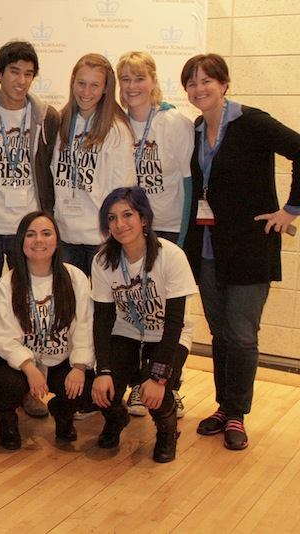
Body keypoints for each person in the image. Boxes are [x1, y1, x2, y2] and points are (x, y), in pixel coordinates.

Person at [181, 54, 300, 451]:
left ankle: (237, 414)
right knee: (219, 335)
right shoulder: (197, 128)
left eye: (206, 81)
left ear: (224, 83)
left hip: (249, 247)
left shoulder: (251, 121)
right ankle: (222, 407)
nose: (199, 89)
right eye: (192, 84)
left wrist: (290, 210)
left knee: (243, 335)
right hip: (208, 248)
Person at [0, 40, 60, 419]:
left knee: (31, 308)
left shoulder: (47, 117)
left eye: (28, 73)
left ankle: (30, 388)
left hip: (29, 229)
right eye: (14, 72)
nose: (21, 81)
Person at [91, 187, 196, 463]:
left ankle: (167, 431)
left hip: (167, 337)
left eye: (128, 215)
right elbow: (102, 320)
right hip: (126, 333)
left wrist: (159, 377)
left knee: (155, 394)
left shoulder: (171, 256)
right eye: (112, 218)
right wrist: (102, 370)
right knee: (103, 388)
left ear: (144, 219)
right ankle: (116, 419)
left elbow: (174, 323)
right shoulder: (103, 260)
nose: (120, 224)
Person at [116, 51, 195, 420]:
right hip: (131, 230)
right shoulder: (116, 123)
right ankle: (138, 386)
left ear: (152, 80)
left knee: (169, 316)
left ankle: (168, 387)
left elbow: (189, 184)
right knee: (135, 310)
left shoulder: (174, 122)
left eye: (139, 78)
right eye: (125, 80)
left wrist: (181, 239)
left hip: (166, 229)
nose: (132, 87)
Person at [0, 212, 94, 449]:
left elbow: (84, 326)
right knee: (4, 387)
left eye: (46, 234)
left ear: (57, 240)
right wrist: (29, 368)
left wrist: (78, 367)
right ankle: (7, 422)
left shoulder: (74, 278)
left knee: (87, 390)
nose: (39, 241)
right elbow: (3, 337)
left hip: (61, 359)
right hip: (23, 364)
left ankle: (63, 414)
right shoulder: (7, 284)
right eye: (31, 234)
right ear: (21, 241)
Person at [51, 53, 136, 277]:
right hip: (64, 235)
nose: (86, 92)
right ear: (72, 83)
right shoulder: (60, 123)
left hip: (100, 239)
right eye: (81, 83)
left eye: (94, 85)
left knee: (101, 309)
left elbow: (123, 189)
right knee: (69, 307)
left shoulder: (116, 131)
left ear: (106, 89)